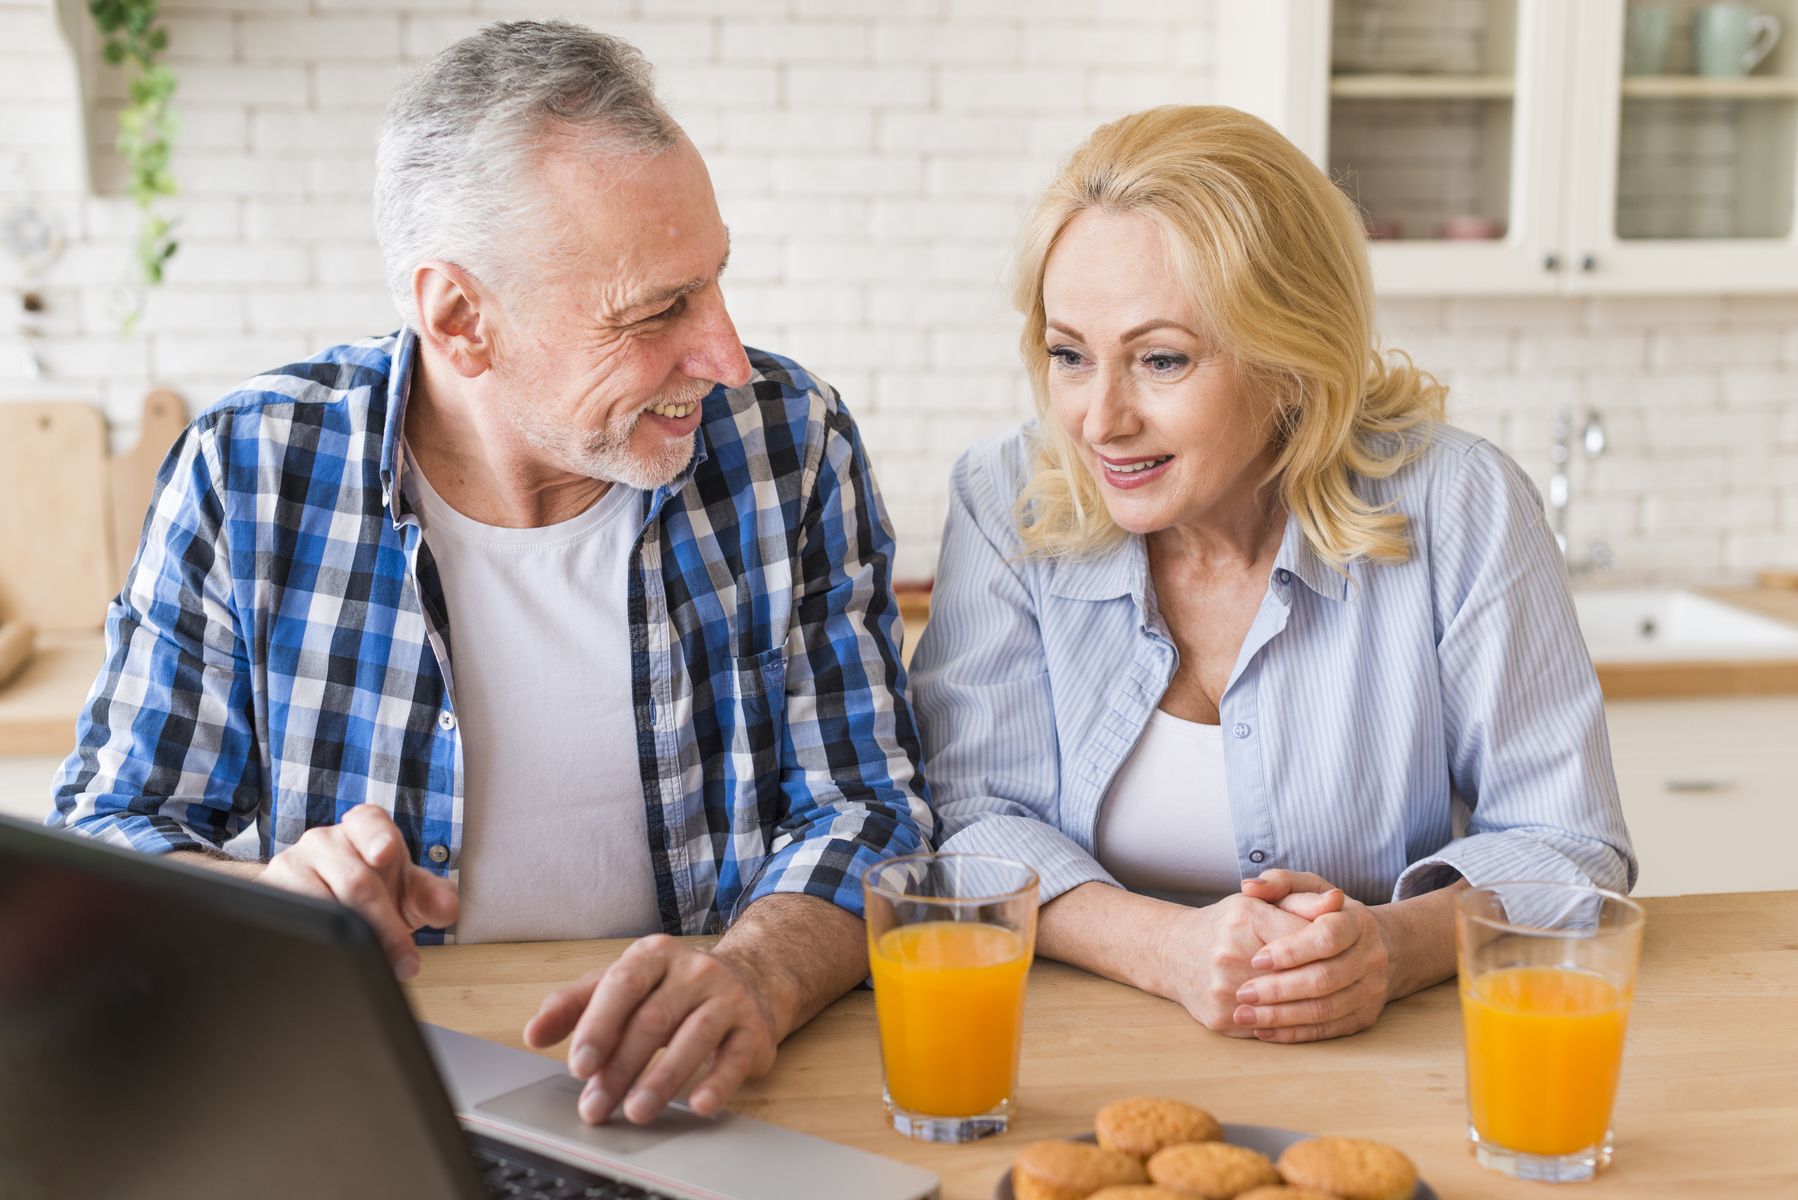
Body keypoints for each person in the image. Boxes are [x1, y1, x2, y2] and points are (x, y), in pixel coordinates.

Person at [50, 21, 931, 1124]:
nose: (724, 355)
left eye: (712, 282)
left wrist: (756, 973)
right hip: (365, 1089)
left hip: (697, 1095)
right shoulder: (252, 468)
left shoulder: (786, 440)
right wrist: (272, 904)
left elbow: (869, 810)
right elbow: (106, 834)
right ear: (460, 319)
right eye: (657, 309)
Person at [908, 105, 1634, 1044]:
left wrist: (1394, 946)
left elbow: (1570, 843)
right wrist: (1165, 947)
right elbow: (967, 820)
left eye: (1161, 359)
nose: (1099, 420)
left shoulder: (1461, 502)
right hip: (1071, 1046)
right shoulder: (1004, 496)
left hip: (1396, 1053)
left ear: (1290, 359)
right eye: (1069, 356)